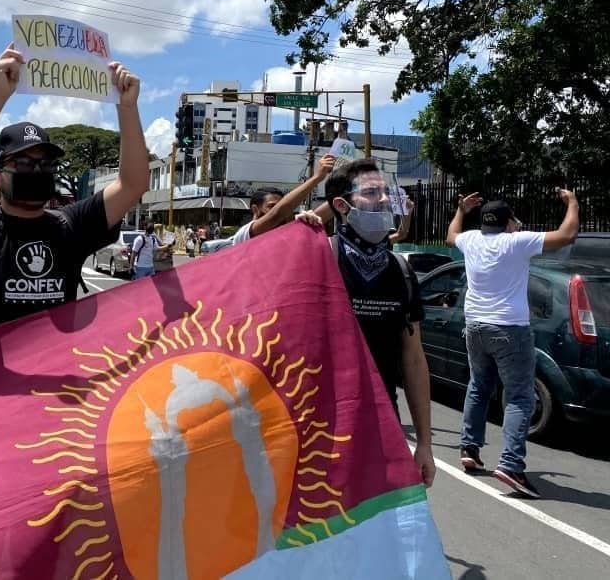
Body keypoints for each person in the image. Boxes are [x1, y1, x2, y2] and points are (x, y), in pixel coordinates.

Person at [0, 45, 149, 338]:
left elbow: (132, 184)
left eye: (45, 163)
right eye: (23, 163)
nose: (36, 170)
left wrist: (127, 107)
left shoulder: (69, 226)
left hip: (56, 381)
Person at [446, 190, 579, 498]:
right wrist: (571, 202)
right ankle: (511, 465)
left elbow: (451, 235)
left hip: (475, 326)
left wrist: (460, 210)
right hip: (509, 329)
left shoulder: (472, 240)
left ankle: (469, 449)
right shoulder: (516, 242)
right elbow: (567, 234)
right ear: (508, 223)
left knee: (478, 387)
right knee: (520, 397)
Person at [324, 158, 436, 488]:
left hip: (383, 428)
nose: (385, 200)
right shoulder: (320, 260)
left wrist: (424, 445)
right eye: (372, 193)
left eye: (386, 192)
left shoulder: (401, 272)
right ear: (342, 206)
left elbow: (414, 360)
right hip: (322, 432)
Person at [230, 154, 336, 246]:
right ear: (255, 210)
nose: (284, 213)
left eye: (285, 208)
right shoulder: (244, 235)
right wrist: (317, 177)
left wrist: (343, 189)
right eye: (271, 206)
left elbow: (325, 211)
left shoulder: (285, 236)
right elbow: (276, 215)